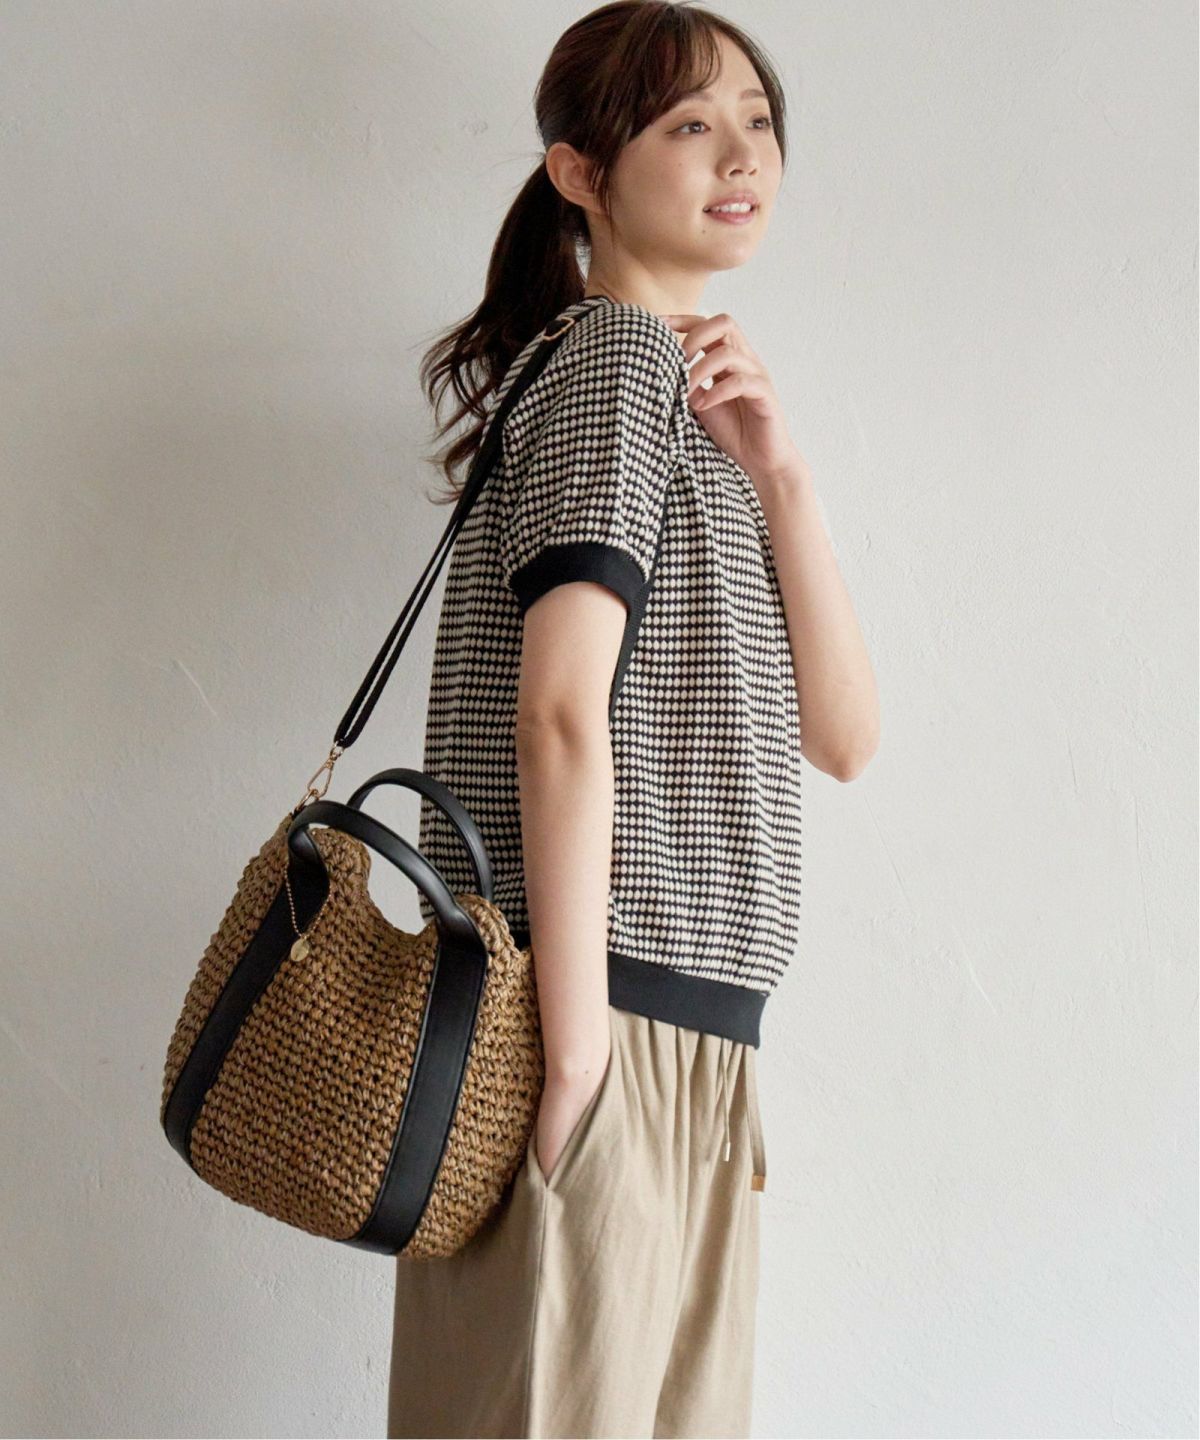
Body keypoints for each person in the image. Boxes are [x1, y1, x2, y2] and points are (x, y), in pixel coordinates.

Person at [388, 3, 879, 1435]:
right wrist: (577, 1056)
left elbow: (846, 738)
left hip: (696, 1036)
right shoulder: (611, 364)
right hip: (601, 1014)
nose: (743, 155)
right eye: (690, 124)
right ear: (580, 173)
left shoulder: (695, 397)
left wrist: (782, 475)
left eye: (758, 121)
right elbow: (557, 713)